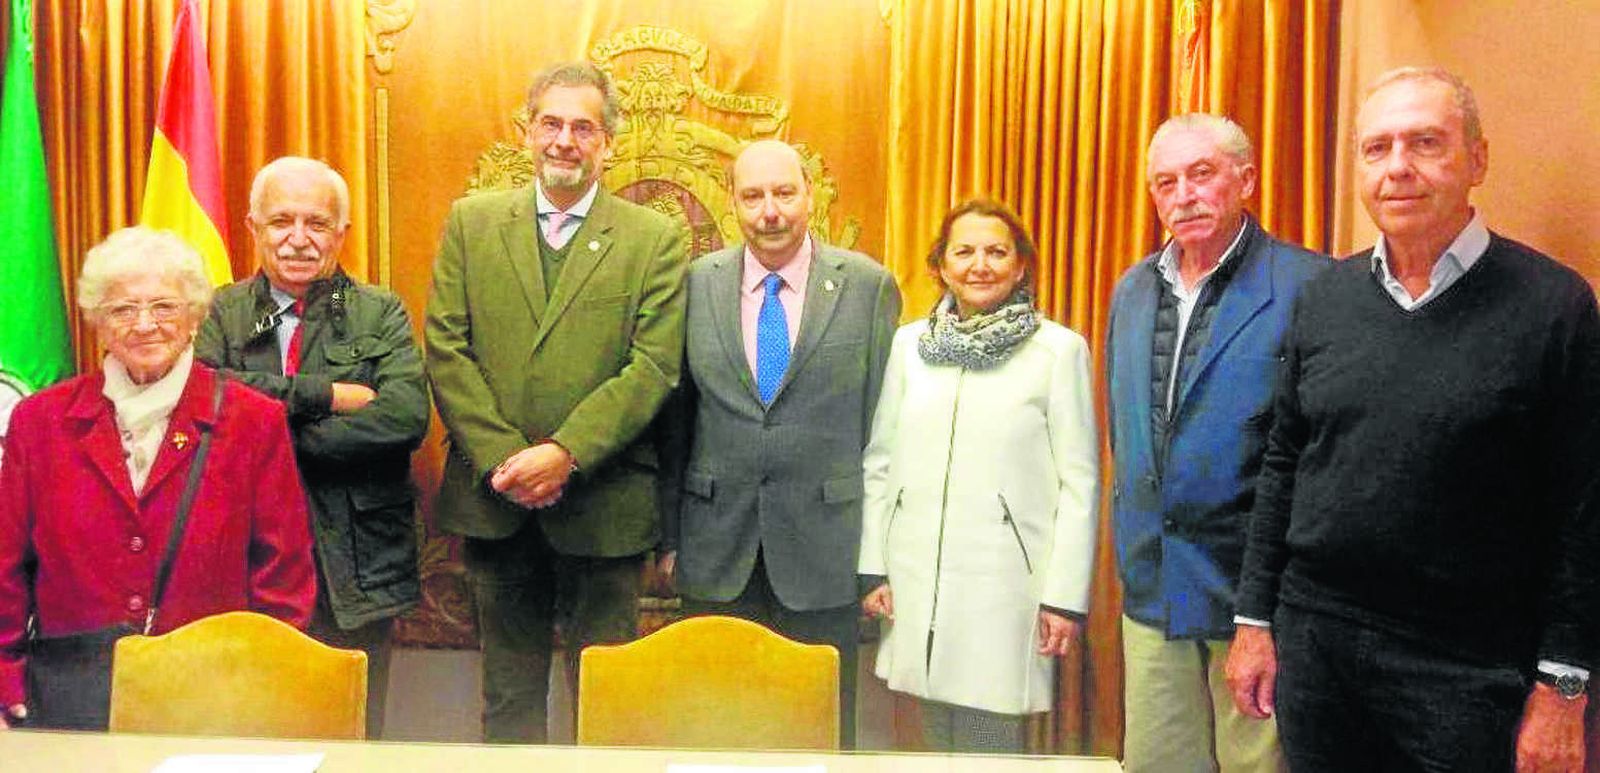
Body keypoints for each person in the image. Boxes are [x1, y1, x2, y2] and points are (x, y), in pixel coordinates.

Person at [1226, 67, 1600, 773]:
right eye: (1377, 148)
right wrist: (1254, 621)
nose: (1398, 167)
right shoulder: (1324, 299)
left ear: (1477, 159)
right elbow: (1284, 462)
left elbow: (1584, 512)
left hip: (1469, 667)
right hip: (1318, 650)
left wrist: (1565, 685)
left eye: (1425, 142)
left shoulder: (1555, 308)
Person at [424, 61, 687, 743]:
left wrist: (565, 454)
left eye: (583, 126)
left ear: (608, 143)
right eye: (551, 123)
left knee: (609, 705)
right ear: (526, 131)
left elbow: (653, 366)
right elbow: (447, 349)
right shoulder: (471, 223)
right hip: (498, 500)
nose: (564, 139)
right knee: (507, 701)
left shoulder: (652, 238)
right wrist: (511, 460)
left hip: (604, 509)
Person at [0, 227, 316, 731]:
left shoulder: (253, 421)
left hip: (213, 699)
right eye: (123, 310)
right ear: (98, 324)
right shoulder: (40, 423)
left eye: (164, 307)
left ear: (194, 316)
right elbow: (6, 565)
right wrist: (5, 677)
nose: (144, 324)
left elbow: (283, 576)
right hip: (70, 700)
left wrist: (259, 686)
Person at [657, 139, 901, 748]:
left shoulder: (868, 286)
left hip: (826, 549)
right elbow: (673, 423)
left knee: (816, 728)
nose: (770, 211)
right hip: (716, 548)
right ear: (733, 203)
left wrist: (882, 554)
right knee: (717, 726)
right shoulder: (695, 284)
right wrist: (668, 538)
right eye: (753, 196)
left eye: (784, 193)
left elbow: (887, 432)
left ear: (809, 196)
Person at [1105, 114, 1326, 772]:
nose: (1184, 195)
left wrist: (1270, 606)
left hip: (1255, 601)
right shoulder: (1133, 287)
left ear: (1246, 180)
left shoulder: (1310, 286)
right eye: (1165, 182)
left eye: (1202, 175)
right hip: (1154, 587)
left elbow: (1315, 456)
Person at [195, 157, 428, 739]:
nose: (298, 239)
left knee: (354, 733)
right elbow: (205, 404)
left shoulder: (380, 310)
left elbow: (403, 419)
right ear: (253, 229)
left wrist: (267, 436)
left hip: (357, 562)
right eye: (281, 222)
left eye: (317, 224)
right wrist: (327, 393)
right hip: (246, 562)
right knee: (252, 734)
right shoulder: (221, 311)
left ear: (342, 233)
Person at [857, 199, 1097, 753]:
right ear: (941, 264)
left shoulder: (1058, 352)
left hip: (1008, 586)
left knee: (991, 741)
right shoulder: (909, 347)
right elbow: (881, 462)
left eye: (996, 252)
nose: (979, 265)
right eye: (964, 251)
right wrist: (874, 568)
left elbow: (1080, 484)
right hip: (915, 581)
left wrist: (1064, 598)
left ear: (1020, 266)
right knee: (935, 732)